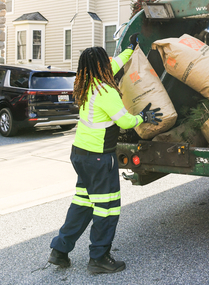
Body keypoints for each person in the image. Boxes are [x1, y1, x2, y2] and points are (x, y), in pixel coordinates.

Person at [48, 33, 162, 275]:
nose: (110, 63)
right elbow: (127, 121)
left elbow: (115, 63)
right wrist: (145, 117)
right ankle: (99, 258)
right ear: (101, 65)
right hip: (99, 158)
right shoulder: (106, 92)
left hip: (81, 155)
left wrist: (130, 50)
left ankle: (59, 251)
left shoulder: (85, 84)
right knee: (107, 208)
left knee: (83, 203)